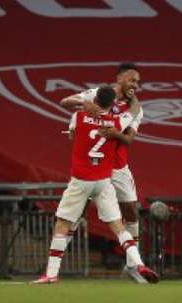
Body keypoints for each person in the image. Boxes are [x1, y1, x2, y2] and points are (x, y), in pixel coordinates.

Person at [33, 86, 158, 284]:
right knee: (118, 227)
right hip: (103, 182)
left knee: (63, 223)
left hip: (81, 181)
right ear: (112, 104)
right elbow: (133, 112)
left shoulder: (79, 116)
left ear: (95, 99)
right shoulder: (116, 121)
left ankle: (51, 274)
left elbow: (72, 134)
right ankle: (138, 263)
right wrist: (133, 97)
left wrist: (84, 109)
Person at [59, 63, 144, 244]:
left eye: (137, 82)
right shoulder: (96, 94)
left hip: (118, 166)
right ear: (119, 79)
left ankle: (134, 260)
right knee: (78, 210)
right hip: (94, 165)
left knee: (130, 209)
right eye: (132, 80)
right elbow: (64, 102)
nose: (135, 85)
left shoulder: (136, 109)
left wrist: (116, 134)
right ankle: (58, 254)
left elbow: (128, 140)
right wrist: (85, 103)